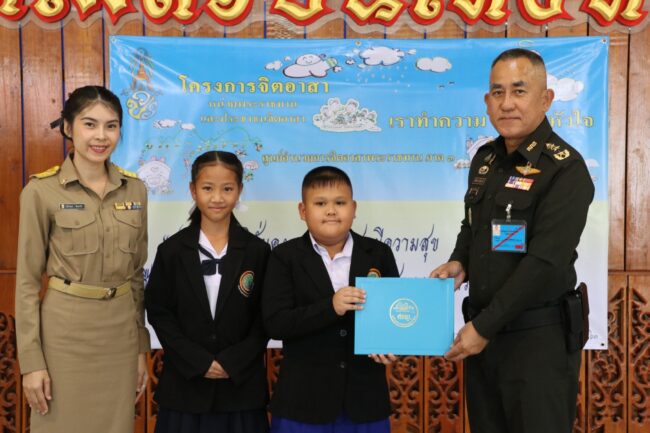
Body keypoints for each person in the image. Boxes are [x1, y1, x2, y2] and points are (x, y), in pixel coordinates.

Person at [430, 48, 594, 433]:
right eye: (497, 92)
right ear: (487, 101)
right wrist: (460, 260)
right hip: (485, 336)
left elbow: (544, 263)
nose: (507, 103)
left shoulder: (565, 169)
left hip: (537, 342)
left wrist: (483, 328)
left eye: (519, 91)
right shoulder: (486, 159)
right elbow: (473, 225)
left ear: (545, 99)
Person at [15, 85, 150, 433]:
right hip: (64, 336)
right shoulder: (40, 191)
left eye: (111, 126)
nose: (101, 136)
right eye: (90, 124)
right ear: (67, 127)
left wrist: (140, 348)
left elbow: (136, 276)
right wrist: (31, 362)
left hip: (120, 337)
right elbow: (27, 283)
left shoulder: (135, 190)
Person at [262, 166, 399, 433]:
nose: (331, 211)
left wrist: (393, 347)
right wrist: (330, 307)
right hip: (303, 403)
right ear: (303, 211)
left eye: (340, 203)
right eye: (320, 203)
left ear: (354, 208)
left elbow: (394, 315)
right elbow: (275, 323)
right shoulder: (284, 257)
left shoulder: (378, 253)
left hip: (365, 402)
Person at [145, 151, 271, 433]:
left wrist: (232, 362)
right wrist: (199, 361)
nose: (217, 198)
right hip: (185, 389)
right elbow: (159, 312)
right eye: (207, 188)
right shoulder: (172, 250)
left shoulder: (257, 251)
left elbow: (266, 317)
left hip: (241, 389)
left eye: (227, 189)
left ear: (239, 190)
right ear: (193, 190)